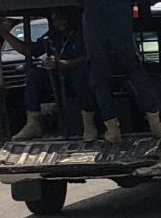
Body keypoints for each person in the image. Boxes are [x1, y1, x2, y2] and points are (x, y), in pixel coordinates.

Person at [71, 0, 161, 143]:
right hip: (121, 30)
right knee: (134, 71)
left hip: (94, 33)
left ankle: (112, 129)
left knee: (99, 79)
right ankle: (155, 124)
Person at [8, 11, 96, 141]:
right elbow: (29, 50)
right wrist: (4, 33)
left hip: (84, 76)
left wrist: (63, 63)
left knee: (81, 77)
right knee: (35, 75)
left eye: (62, 18)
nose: (59, 23)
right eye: (55, 20)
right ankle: (34, 124)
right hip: (59, 78)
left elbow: (89, 57)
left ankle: (89, 125)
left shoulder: (85, 34)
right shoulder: (54, 36)